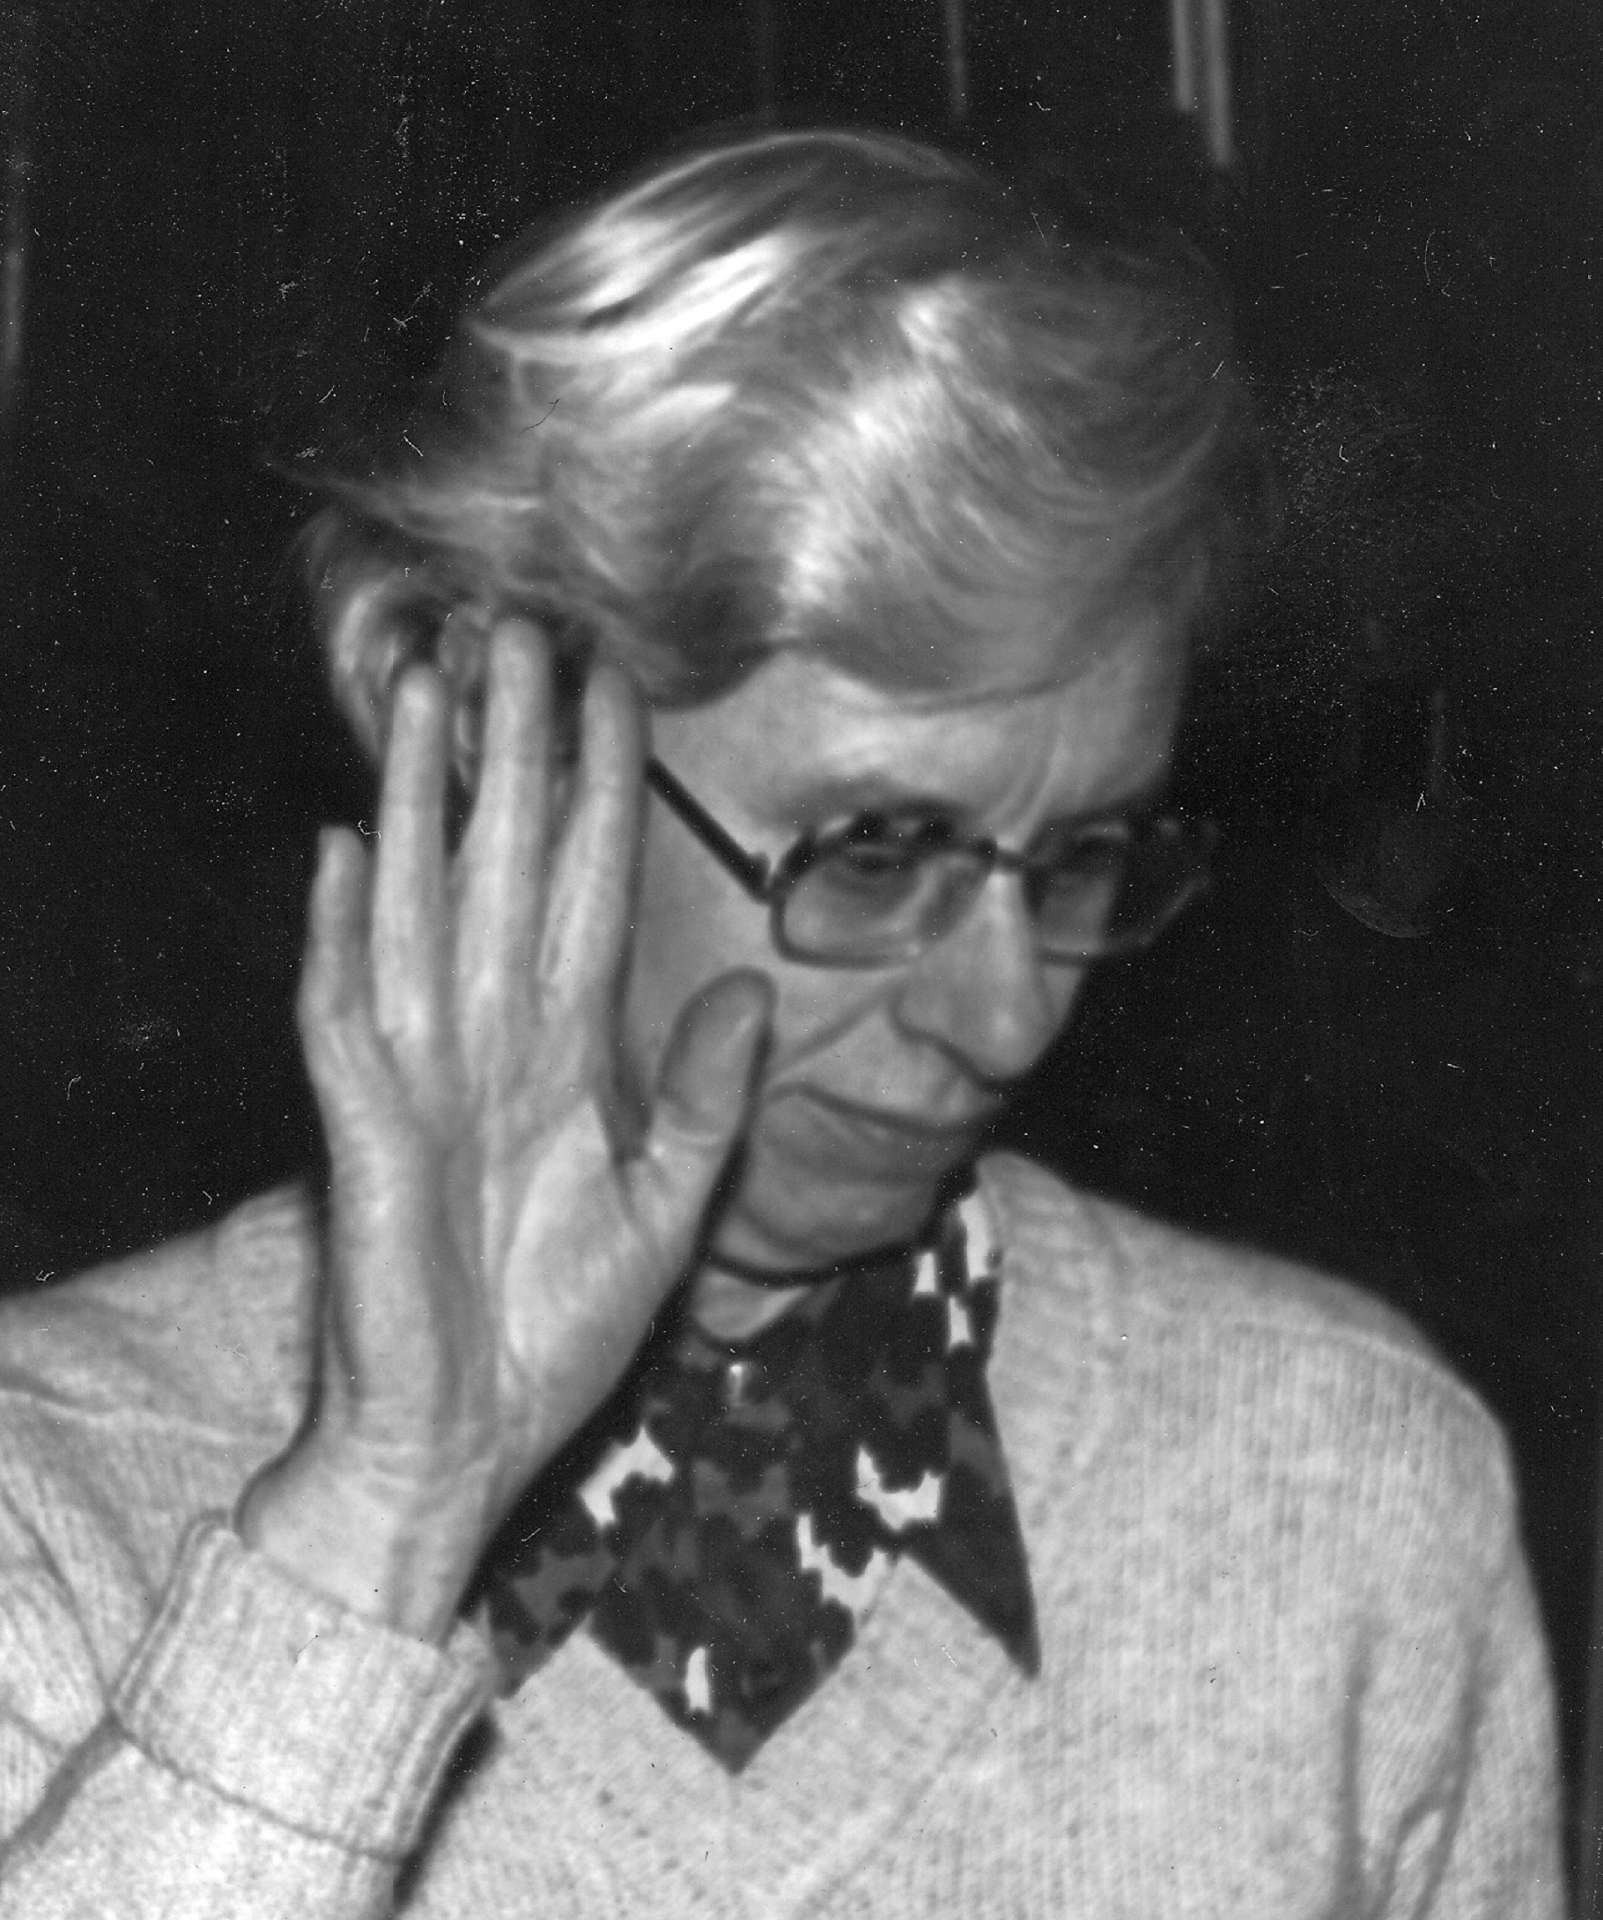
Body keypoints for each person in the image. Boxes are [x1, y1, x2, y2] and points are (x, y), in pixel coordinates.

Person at [0, 128, 1563, 1917]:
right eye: (873, 853)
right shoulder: (52, 1503)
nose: (1005, 1017)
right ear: (491, 730)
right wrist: (379, 1519)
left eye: (1079, 859)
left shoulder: (1346, 1478)